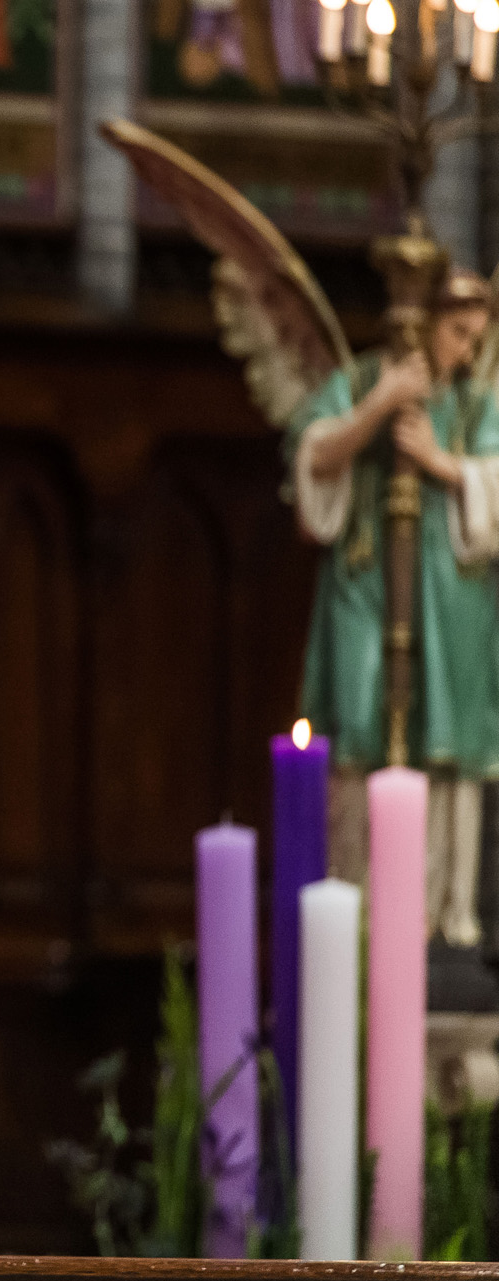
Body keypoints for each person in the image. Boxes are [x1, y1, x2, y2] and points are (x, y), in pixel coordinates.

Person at [288, 267, 499, 945]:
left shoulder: (475, 404)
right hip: (366, 581)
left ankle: (439, 912)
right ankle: (354, 907)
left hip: (452, 597)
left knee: (445, 737)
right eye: (458, 333)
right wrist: (380, 407)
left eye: (478, 340)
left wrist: (440, 462)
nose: (467, 351)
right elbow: (310, 461)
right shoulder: (358, 382)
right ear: (424, 320)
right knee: (358, 723)